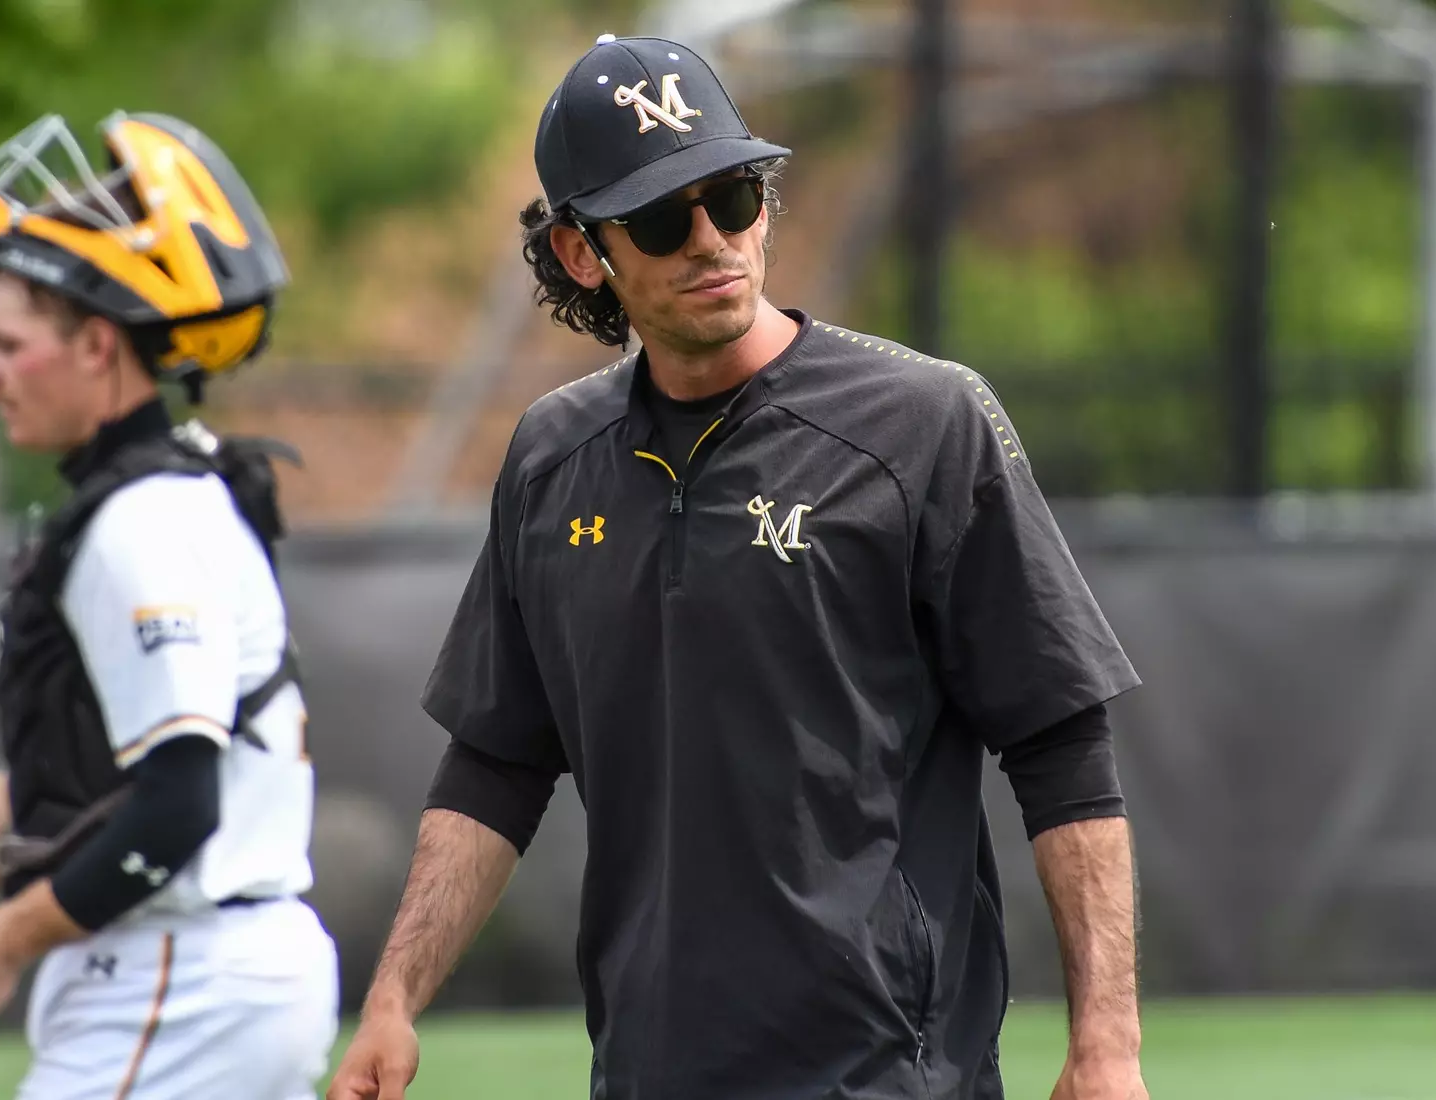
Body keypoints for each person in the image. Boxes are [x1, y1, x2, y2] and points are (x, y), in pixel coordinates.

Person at [330, 33, 1146, 1100]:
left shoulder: (926, 423)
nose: (712, 239)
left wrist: (1109, 1045)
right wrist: (393, 998)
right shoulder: (550, 457)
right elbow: (497, 763)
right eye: (664, 218)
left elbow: (1062, 743)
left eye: (735, 195)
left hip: (891, 1073)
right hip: (646, 1070)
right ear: (584, 254)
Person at [0, 111, 338, 1099]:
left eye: (7, 342)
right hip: (200, 978)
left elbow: (179, 799)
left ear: (99, 346)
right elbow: (48, 792)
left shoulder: (138, 522)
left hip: (177, 977)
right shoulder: (161, 492)